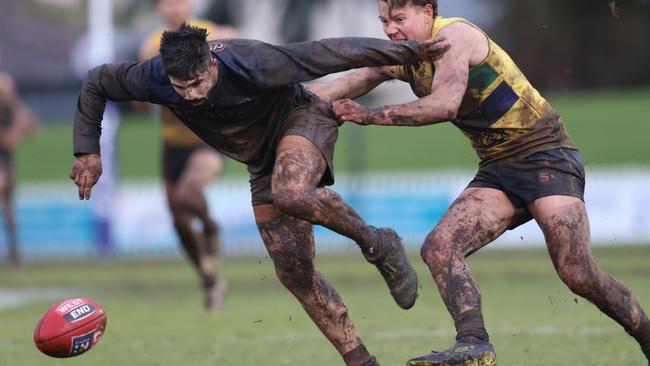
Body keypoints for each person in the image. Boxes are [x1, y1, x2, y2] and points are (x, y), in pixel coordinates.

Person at [70, 24, 449, 366]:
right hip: (262, 160)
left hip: (301, 119)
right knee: (293, 272)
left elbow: (330, 51)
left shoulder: (252, 61)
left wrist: (412, 51)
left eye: (198, 82)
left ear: (212, 66)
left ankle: (378, 243)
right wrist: (87, 151)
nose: (192, 94)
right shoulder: (153, 77)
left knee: (291, 191)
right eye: (181, 87)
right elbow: (97, 81)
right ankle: (361, 362)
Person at [309, 0, 650, 364]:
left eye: (398, 19)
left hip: (547, 156)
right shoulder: (406, 56)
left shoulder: (454, 37)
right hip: (498, 169)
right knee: (439, 246)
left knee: (577, 273)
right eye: (383, 21)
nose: (390, 29)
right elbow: (348, 82)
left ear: (428, 12)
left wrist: (369, 115)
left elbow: (445, 105)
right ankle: (474, 344)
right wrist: (279, 98)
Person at [139, 0, 239, 315]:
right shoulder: (151, 46)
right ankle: (209, 281)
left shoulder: (210, 34)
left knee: (188, 192)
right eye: (166, 2)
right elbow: (140, 100)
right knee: (179, 219)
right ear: (158, 8)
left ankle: (210, 226)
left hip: (207, 138)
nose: (174, 7)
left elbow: (238, 45)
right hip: (173, 143)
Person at [0, 72, 38, 267]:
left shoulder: (12, 107)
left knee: (8, 206)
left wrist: (16, 132)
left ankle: (14, 253)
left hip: (5, 161)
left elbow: (32, 127)